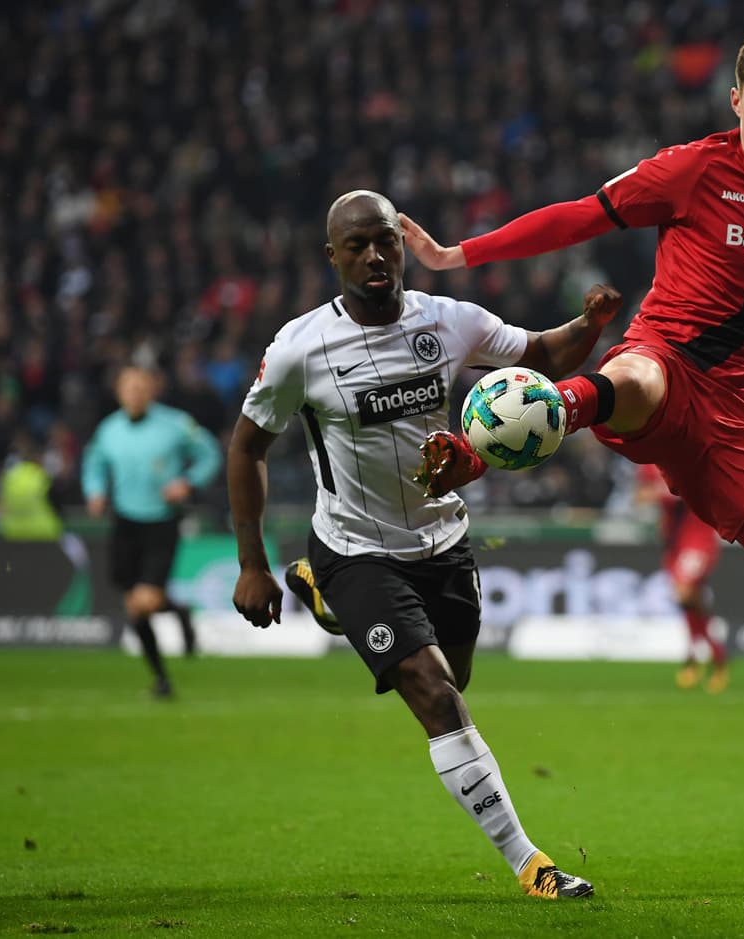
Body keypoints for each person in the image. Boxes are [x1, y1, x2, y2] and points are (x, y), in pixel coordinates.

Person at [401, 32, 744, 885]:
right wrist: (457, 255)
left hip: (733, 424)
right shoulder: (693, 169)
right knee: (635, 376)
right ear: (736, 100)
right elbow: (582, 214)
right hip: (661, 364)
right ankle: (475, 455)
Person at [228, 190, 622, 900]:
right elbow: (247, 447)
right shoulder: (299, 348)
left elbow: (539, 356)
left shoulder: (449, 320)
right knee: (436, 695)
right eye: (357, 246)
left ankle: (329, 605)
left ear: (403, 243)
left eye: (385, 240)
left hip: (444, 542)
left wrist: (588, 324)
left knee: (455, 678)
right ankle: (531, 863)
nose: (374, 256)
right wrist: (251, 564)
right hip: (355, 548)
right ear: (333, 257)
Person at [82, 364, 221, 695]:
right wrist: (95, 491)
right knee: (134, 604)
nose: (135, 393)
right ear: (119, 392)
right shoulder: (109, 430)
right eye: (128, 388)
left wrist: (188, 483)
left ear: (151, 391)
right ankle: (163, 674)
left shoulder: (176, 425)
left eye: (140, 387)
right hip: (124, 521)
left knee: (143, 601)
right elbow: (94, 464)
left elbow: (210, 454)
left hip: (161, 521)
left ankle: (163, 670)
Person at [633, 462, 729, 692]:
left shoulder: (685, 454)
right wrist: (656, 494)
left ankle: (709, 659)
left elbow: (700, 489)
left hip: (698, 536)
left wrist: (661, 493)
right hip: (673, 540)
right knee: (690, 602)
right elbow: (640, 496)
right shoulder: (647, 463)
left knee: (685, 592)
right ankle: (706, 658)